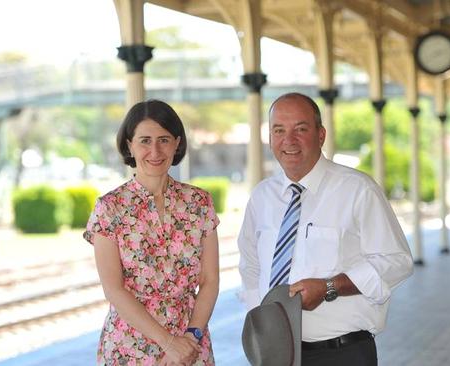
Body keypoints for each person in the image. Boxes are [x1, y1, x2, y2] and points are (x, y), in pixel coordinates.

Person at [238, 92, 414, 366]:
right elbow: (250, 266)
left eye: (301, 129)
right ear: (270, 138)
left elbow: (397, 262)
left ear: (320, 135)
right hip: (277, 354)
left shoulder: (357, 189)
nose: (289, 140)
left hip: (341, 354)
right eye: (279, 130)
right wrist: (262, 323)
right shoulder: (262, 197)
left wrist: (330, 286)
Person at [84, 99, 220, 365]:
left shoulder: (199, 202)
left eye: (164, 140)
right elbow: (113, 289)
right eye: (145, 140)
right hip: (129, 345)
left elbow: (210, 281)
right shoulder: (109, 208)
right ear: (129, 145)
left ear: (177, 143)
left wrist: (190, 339)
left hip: (191, 340)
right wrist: (169, 343)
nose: (155, 150)